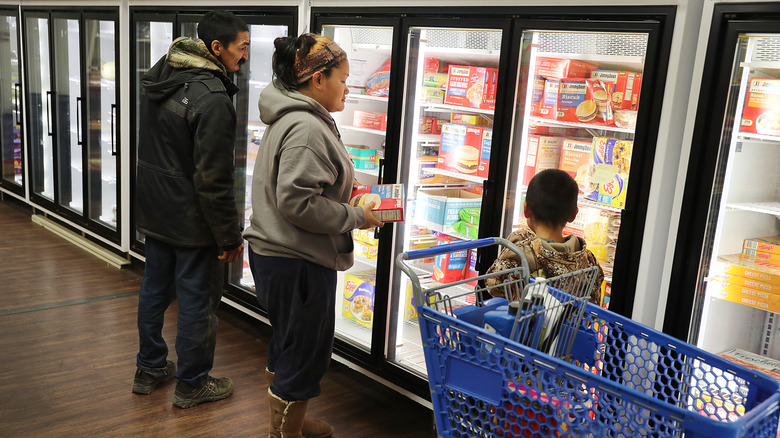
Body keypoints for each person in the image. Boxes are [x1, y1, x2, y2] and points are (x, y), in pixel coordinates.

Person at [243, 33, 383, 438]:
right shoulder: (306, 126)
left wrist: (352, 193)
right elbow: (297, 203)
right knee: (303, 353)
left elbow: (308, 187)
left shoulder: (299, 116)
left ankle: (293, 424)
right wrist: (356, 215)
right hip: (296, 260)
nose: (348, 87)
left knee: (290, 344)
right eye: (343, 78)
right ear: (317, 80)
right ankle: (285, 432)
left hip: (280, 255)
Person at [132, 11, 249, 409]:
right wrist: (230, 237)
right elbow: (213, 180)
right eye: (242, 47)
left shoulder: (165, 71)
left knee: (154, 291)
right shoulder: (212, 98)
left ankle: (149, 368)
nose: (245, 56)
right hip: (192, 221)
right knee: (198, 303)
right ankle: (192, 382)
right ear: (217, 48)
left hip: (157, 209)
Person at [485, 168, 604, 305]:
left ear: (526, 209)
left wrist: (515, 240)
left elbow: (493, 285)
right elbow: (593, 301)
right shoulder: (589, 259)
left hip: (525, 324)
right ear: (573, 215)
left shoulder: (519, 253)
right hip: (571, 325)